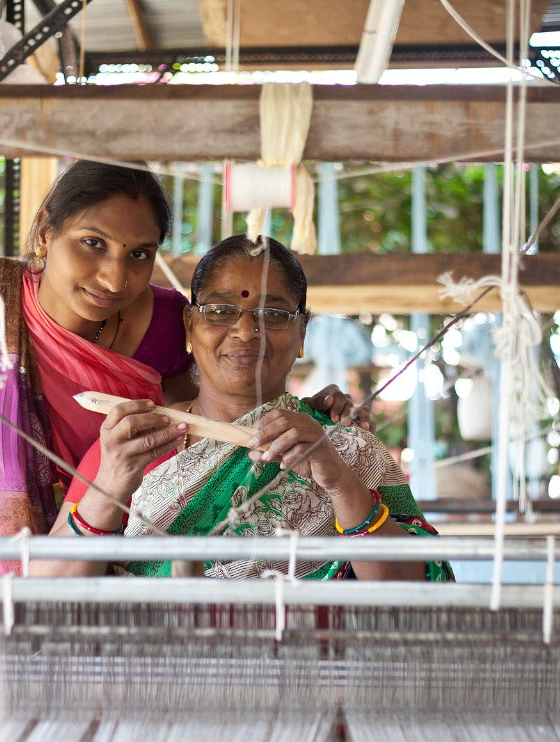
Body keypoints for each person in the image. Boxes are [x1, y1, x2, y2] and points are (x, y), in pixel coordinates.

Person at [0, 161, 363, 574]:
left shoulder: (171, 324)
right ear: (44, 231)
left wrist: (308, 414)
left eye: (139, 254)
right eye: (93, 243)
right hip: (6, 564)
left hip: (116, 561)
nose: (115, 277)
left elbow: (219, 417)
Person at [39, 235, 452, 582]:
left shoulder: (345, 449)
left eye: (273, 314)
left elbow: (423, 590)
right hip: (151, 674)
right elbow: (45, 592)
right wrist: (109, 488)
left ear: (302, 332)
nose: (244, 331)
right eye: (220, 311)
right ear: (189, 326)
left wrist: (341, 484)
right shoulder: (132, 440)